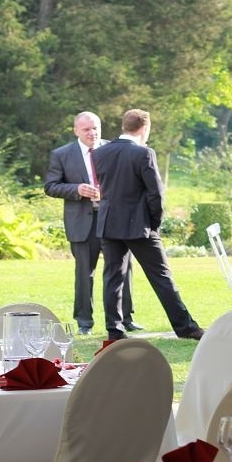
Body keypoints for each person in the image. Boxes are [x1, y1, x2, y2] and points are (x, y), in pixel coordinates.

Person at [93, 109, 204, 341]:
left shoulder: (100, 152)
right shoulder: (144, 153)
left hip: (109, 222)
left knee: (113, 278)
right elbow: (156, 194)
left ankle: (114, 330)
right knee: (161, 277)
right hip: (139, 225)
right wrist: (155, 223)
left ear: (124, 126)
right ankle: (186, 327)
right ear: (144, 128)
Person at [44, 111, 140, 336]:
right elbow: (50, 186)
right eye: (86, 129)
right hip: (82, 222)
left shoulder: (114, 149)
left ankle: (126, 318)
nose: (92, 133)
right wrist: (76, 189)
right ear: (76, 130)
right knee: (84, 273)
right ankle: (84, 322)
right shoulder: (62, 154)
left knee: (123, 269)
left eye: (95, 128)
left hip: (114, 218)